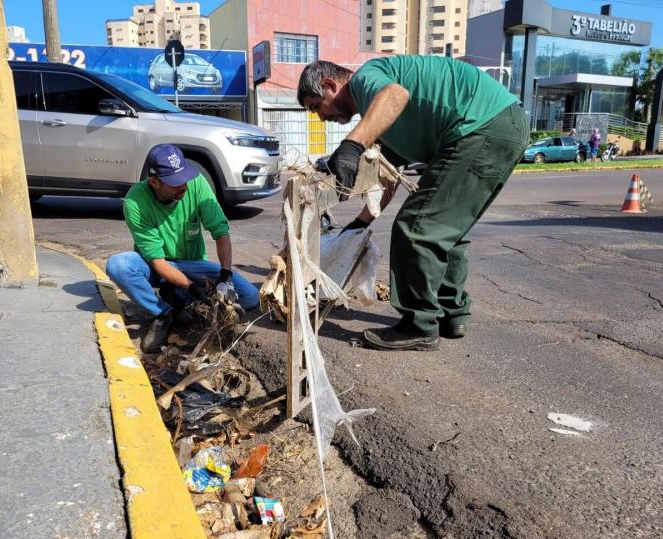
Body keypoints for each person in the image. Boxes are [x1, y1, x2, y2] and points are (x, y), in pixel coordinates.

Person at [297, 56, 529, 351]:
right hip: (497, 125)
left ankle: (418, 325)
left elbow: (396, 94)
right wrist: (361, 222)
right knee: (446, 231)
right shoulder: (381, 119)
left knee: (416, 227)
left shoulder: (366, 80)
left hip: (481, 126)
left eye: (316, 106)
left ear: (330, 85)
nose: (320, 117)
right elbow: (388, 178)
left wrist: (352, 145)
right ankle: (451, 314)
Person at [106, 144, 259, 353]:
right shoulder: (135, 201)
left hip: (192, 264)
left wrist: (225, 275)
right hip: (154, 265)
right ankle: (163, 312)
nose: (184, 186)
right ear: (154, 182)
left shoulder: (196, 184)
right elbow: (158, 261)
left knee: (250, 296)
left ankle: (179, 297)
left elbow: (220, 231)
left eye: (184, 178)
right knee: (118, 265)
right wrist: (192, 287)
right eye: (175, 183)